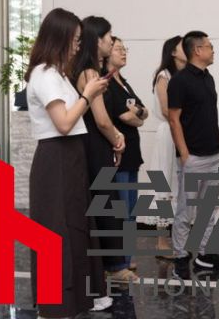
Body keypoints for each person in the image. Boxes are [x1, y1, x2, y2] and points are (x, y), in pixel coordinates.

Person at [25, 8, 109, 318]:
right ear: (59, 38)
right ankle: (57, 304)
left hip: (70, 155)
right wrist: (87, 95)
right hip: (56, 157)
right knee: (56, 229)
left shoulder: (58, 74)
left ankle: (77, 300)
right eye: (74, 40)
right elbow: (63, 123)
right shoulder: (45, 74)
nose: (78, 46)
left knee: (75, 226)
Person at [70, 16, 138, 284]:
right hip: (95, 144)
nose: (112, 41)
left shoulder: (94, 70)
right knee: (106, 204)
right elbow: (101, 119)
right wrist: (117, 138)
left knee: (107, 204)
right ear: (97, 40)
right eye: (109, 36)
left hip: (98, 143)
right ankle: (115, 267)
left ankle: (110, 265)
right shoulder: (89, 72)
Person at [168, 30, 219, 279]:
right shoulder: (179, 81)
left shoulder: (208, 77)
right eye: (209, 46)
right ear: (197, 50)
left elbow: (209, 111)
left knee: (209, 209)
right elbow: (174, 119)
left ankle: (206, 255)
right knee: (186, 212)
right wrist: (184, 154)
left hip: (215, 154)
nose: (213, 50)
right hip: (193, 157)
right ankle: (180, 256)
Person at [137, 36, 186, 257]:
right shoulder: (163, 76)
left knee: (180, 184)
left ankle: (178, 236)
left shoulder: (185, 76)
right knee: (164, 183)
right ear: (173, 52)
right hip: (170, 132)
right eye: (182, 46)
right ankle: (161, 240)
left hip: (184, 130)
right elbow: (167, 110)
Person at [105, 36, 148, 271]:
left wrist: (136, 113)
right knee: (121, 211)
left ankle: (128, 257)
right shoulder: (106, 82)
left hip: (132, 154)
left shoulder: (124, 83)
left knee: (131, 211)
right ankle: (119, 261)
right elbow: (124, 116)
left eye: (125, 49)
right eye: (118, 49)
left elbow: (143, 112)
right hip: (117, 155)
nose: (123, 53)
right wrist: (136, 114)